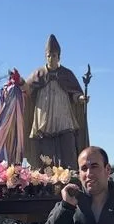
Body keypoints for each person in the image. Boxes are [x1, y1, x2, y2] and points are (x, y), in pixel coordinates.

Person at [22, 34, 89, 170]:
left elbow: (75, 93)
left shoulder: (67, 74)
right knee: (45, 157)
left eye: (54, 55)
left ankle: (71, 175)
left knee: (69, 151)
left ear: (59, 57)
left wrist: (81, 98)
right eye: (49, 55)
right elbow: (27, 90)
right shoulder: (38, 73)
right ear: (45, 56)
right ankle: (45, 178)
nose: (51, 58)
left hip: (64, 120)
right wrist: (19, 82)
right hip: (44, 123)